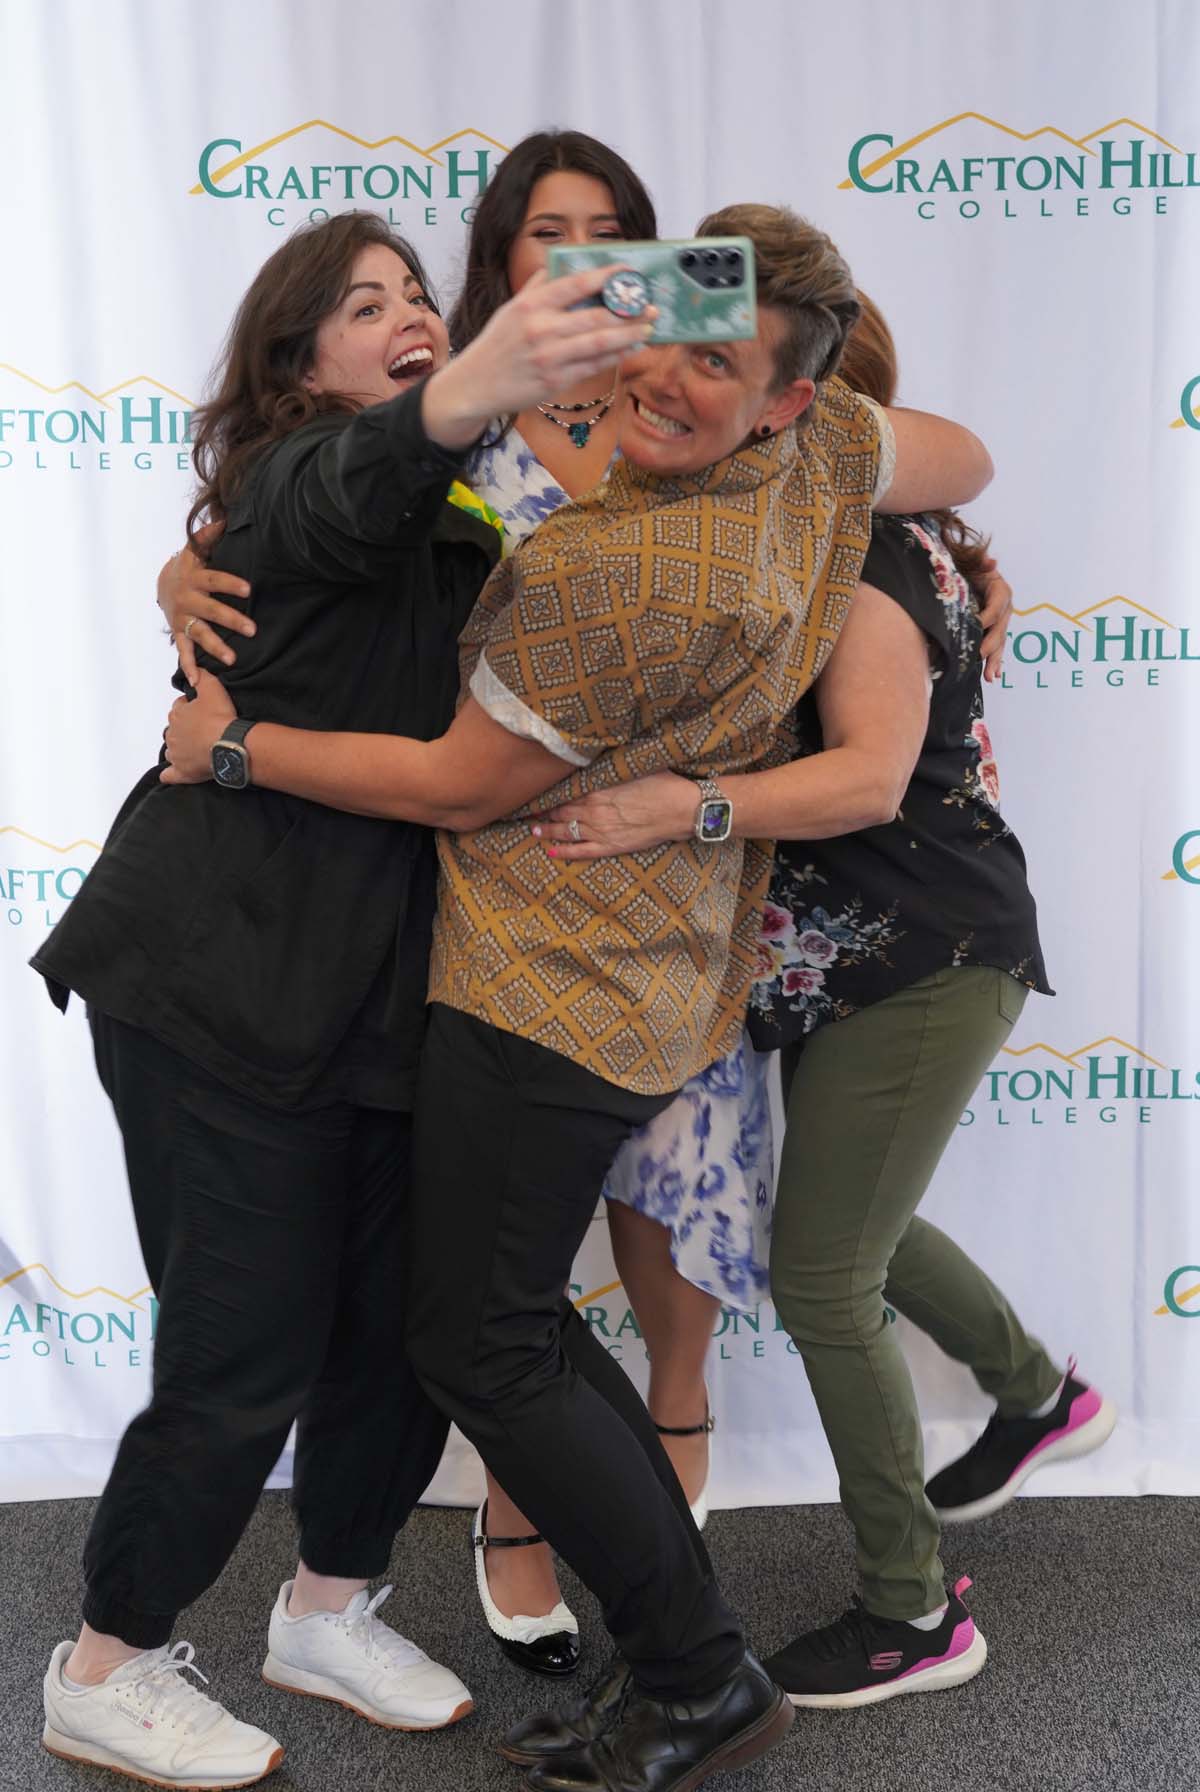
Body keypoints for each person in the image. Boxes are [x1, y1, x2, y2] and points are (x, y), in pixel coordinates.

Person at [160, 200, 1001, 1792]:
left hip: (540, 982)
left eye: (716, 363)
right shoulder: (820, 455)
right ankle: (699, 1655)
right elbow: (955, 456)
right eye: (660, 330)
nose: (663, 377)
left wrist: (238, 748)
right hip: (655, 972)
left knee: (476, 1340)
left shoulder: (620, 569)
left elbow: (454, 781)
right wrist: (693, 318)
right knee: (513, 1326)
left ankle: (690, 1674)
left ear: (785, 397)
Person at [31, 208, 654, 1790]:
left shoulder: (479, 499)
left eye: (410, 300)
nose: (401, 318)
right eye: (360, 306)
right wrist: (462, 382)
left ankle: (328, 1606)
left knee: (391, 1331)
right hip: (217, 974)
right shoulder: (301, 483)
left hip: (391, 986)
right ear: (297, 361)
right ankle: (104, 1663)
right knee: (246, 1343)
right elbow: (345, 487)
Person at [531, 289, 1117, 1712]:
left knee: (822, 1276)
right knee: (852, 1225)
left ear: (809, 412)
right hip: (856, 961)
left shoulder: (857, 549)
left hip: (923, 955)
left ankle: (916, 1613)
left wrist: (686, 806)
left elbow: (864, 778)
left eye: (724, 380)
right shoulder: (800, 539)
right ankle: (1038, 1391)